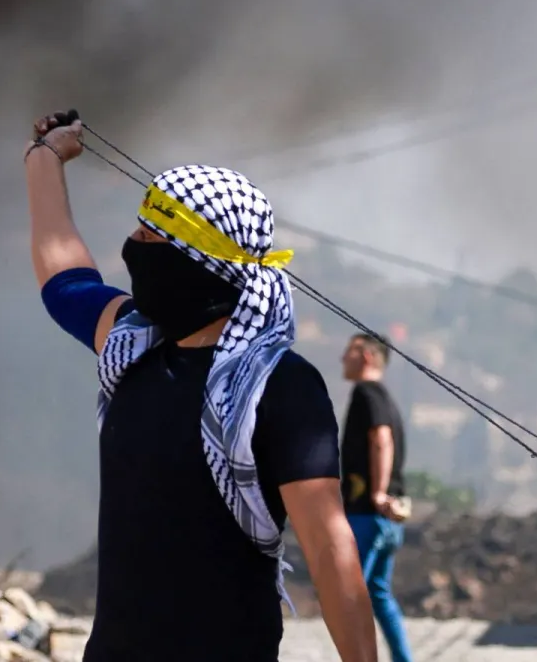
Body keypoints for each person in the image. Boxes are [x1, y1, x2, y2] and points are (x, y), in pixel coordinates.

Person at [25, 112, 378, 662]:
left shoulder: (280, 388)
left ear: (195, 261)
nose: (131, 246)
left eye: (149, 237)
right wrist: (44, 158)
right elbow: (64, 279)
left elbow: (331, 550)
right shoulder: (133, 344)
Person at [340, 333, 414, 662]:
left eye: (351, 352)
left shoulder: (365, 394)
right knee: (378, 595)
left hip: (368, 515)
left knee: (350, 596)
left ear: (368, 357)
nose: (344, 358)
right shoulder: (386, 398)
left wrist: (377, 493)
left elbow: (381, 440)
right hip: (387, 519)